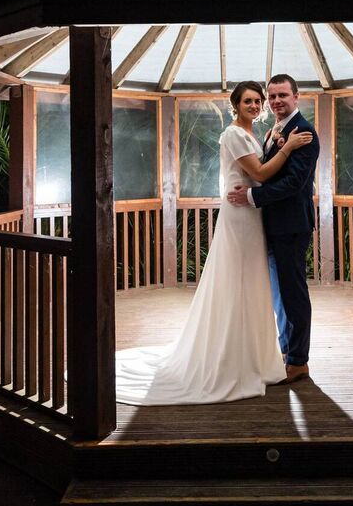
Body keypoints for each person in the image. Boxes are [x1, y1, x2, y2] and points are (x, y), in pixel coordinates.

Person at [114, 80, 313, 406]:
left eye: (258, 100)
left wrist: (280, 144)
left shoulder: (256, 134)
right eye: (248, 101)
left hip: (253, 215)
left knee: (253, 283)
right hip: (241, 215)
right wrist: (287, 147)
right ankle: (234, 354)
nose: (255, 105)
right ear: (234, 105)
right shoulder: (234, 134)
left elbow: (268, 173)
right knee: (237, 281)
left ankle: (254, 352)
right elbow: (261, 174)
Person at [227, 74, 320, 385]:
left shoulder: (304, 132)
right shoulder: (277, 131)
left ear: (296, 97)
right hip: (273, 223)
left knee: (293, 293)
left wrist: (252, 196)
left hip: (292, 223)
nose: (277, 101)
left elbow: (294, 183)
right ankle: (284, 349)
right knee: (280, 293)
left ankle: (298, 361)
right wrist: (278, 144)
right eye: (273, 96)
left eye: (283, 95)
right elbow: (267, 168)